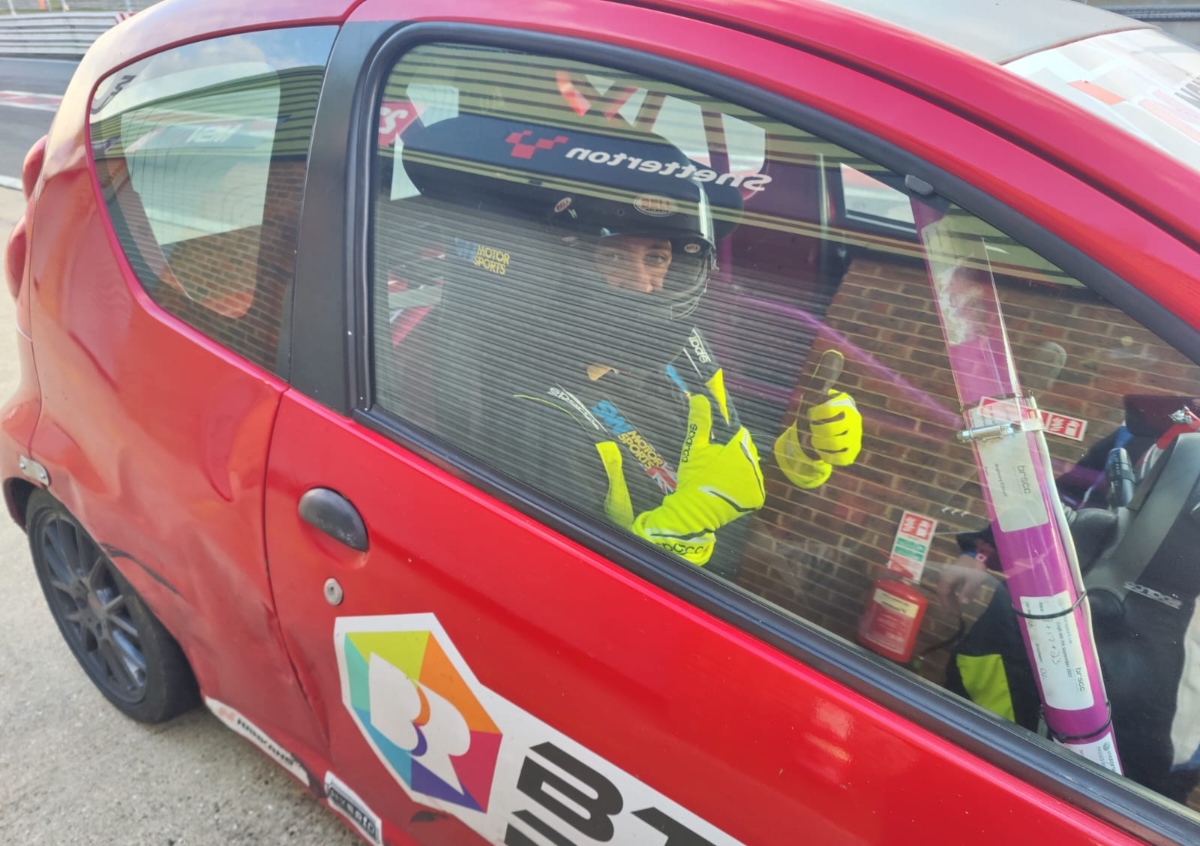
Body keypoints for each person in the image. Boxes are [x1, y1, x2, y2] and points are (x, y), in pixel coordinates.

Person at [396, 114, 863, 570]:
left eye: (657, 258)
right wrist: (672, 533)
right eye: (614, 254)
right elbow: (559, 586)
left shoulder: (686, 351)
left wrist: (794, 450)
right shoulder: (541, 410)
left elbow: (723, 459)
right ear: (565, 265)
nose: (643, 285)